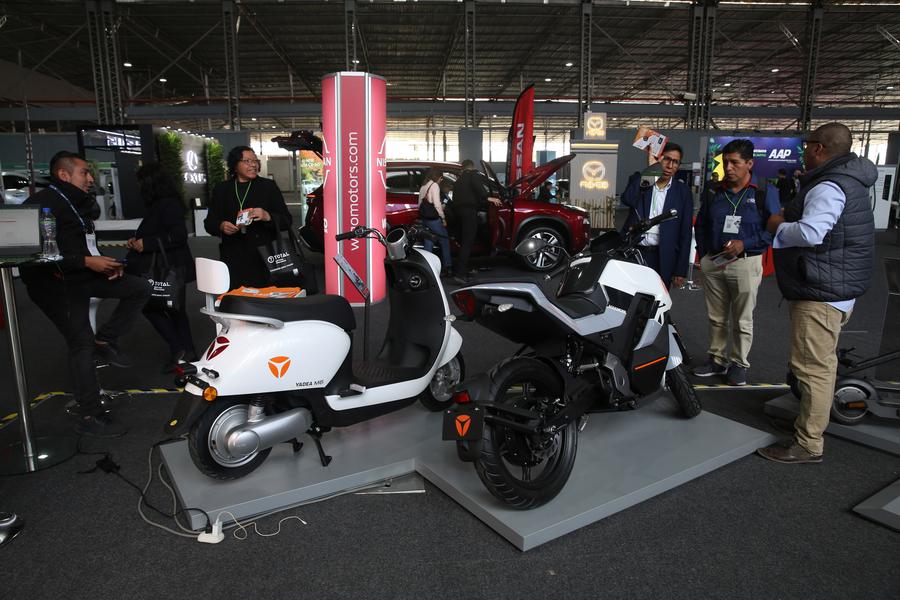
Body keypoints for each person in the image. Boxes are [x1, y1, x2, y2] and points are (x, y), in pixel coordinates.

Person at [758, 123, 876, 464]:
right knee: (819, 365)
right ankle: (807, 422)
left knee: (813, 369)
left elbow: (811, 233)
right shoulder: (849, 181)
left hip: (821, 294)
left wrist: (777, 225)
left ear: (820, 149)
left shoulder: (829, 186)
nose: (803, 151)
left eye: (807, 145)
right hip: (835, 288)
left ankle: (808, 444)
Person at [21, 151, 150, 436]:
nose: (90, 178)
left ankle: (105, 338)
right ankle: (89, 413)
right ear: (64, 175)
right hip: (55, 286)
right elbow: (34, 256)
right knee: (81, 343)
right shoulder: (40, 205)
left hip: (82, 276)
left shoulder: (77, 204)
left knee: (139, 287)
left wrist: (103, 264)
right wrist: (86, 262)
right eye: (84, 173)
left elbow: (84, 244)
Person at [692, 139, 780, 386]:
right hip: (714, 263)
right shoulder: (713, 191)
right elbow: (702, 224)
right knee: (716, 316)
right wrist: (704, 255)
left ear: (749, 164)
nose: (729, 168)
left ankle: (739, 363)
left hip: (746, 263)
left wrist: (746, 244)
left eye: (735, 163)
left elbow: (772, 228)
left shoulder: (763, 192)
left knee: (743, 318)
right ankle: (717, 360)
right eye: (725, 162)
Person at [125, 162, 198, 372]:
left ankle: (180, 350)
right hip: (171, 266)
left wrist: (145, 243)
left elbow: (178, 236)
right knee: (173, 309)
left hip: (169, 267)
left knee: (152, 306)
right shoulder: (165, 203)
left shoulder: (166, 204)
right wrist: (139, 240)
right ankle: (186, 351)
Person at [204, 146, 292, 288]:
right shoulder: (222, 189)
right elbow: (209, 223)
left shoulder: (268, 187)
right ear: (235, 165)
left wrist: (267, 216)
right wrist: (221, 225)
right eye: (247, 161)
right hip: (233, 258)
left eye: (255, 161)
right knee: (236, 302)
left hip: (264, 258)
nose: (253, 164)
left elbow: (287, 220)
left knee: (265, 303)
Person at [620, 142, 694, 289]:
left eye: (675, 162)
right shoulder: (642, 180)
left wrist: (680, 270)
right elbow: (627, 199)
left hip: (663, 256)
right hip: (636, 253)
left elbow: (685, 233)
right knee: (629, 299)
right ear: (658, 159)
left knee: (657, 303)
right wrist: (650, 172)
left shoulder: (683, 192)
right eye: (666, 159)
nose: (670, 165)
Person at [450, 159, 501, 284]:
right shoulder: (473, 175)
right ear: (472, 167)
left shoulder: (458, 181)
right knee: (468, 243)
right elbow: (479, 189)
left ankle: (463, 271)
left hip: (458, 214)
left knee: (463, 243)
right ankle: (460, 275)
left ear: (463, 168)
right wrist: (488, 198)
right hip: (469, 213)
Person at [417, 168, 452, 276]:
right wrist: (443, 218)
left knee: (429, 241)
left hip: (424, 218)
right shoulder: (435, 185)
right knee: (445, 241)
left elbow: (420, 204)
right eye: (441, 179)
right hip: (433, 219)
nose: (441, 181)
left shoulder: (424, 186)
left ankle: (427, 268)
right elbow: (436, 204)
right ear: (439, 177)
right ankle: (448, 268)